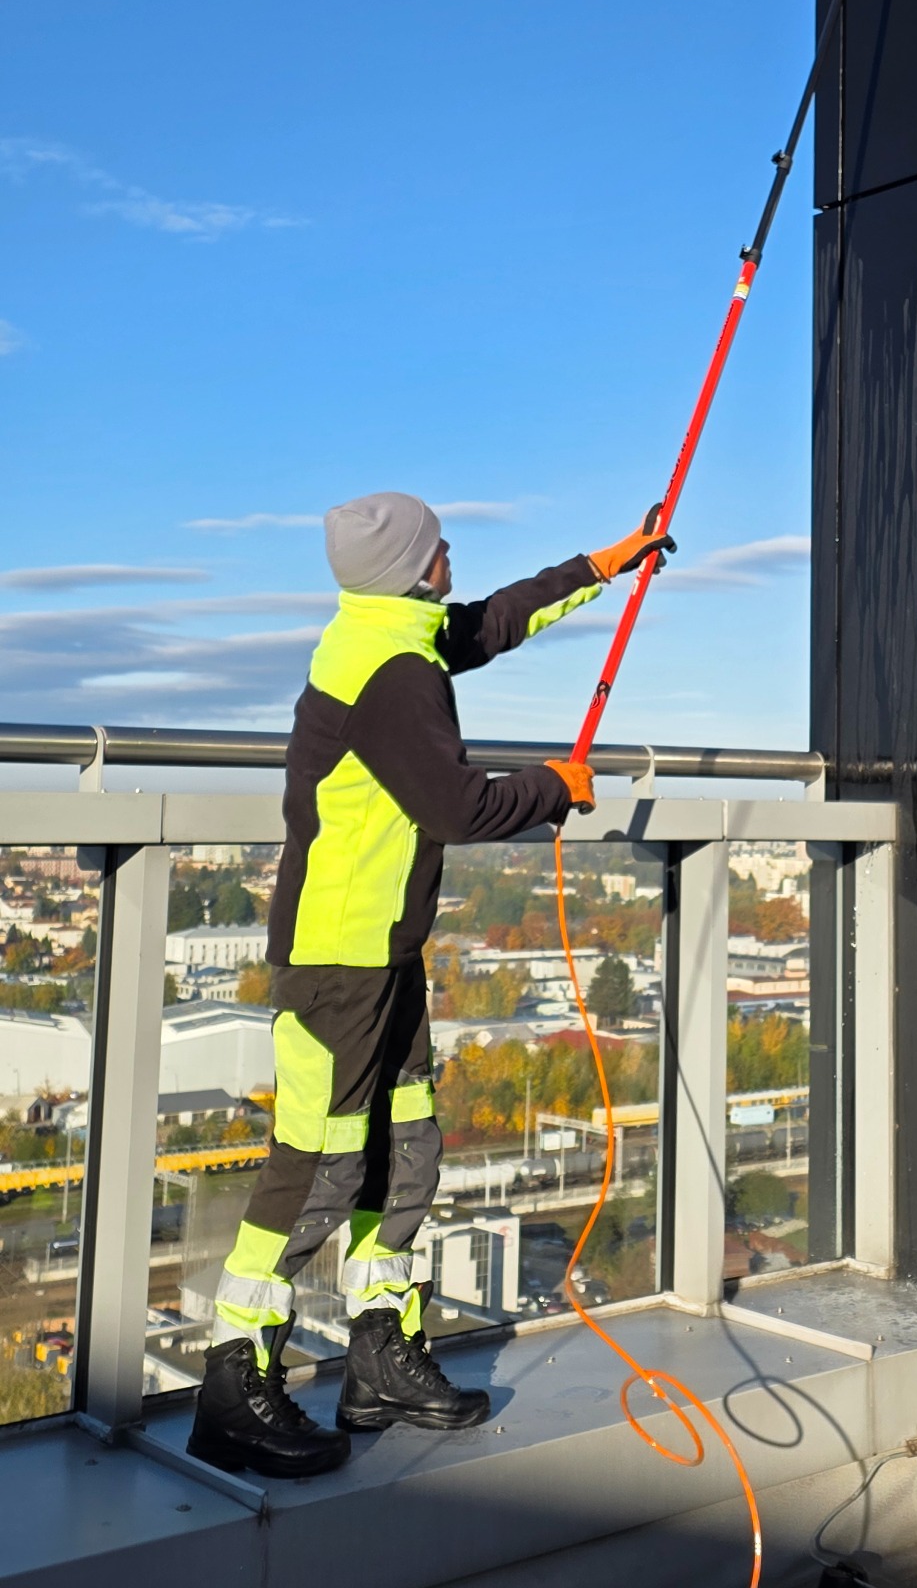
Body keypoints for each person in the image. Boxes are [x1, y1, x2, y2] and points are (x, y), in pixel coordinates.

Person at [187, 490, 673, 1478]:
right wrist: (554, 785)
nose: (451, 552)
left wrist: (602, 565)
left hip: (383, 949)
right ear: (412, 567)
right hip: (339, 957)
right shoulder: (394, 672)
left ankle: (378, 1358)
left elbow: (487, 624)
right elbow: (455, 808)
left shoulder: (388, 633)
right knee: (320, 1162)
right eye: (439, 543)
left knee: (404, 1146)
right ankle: (233, 1383)